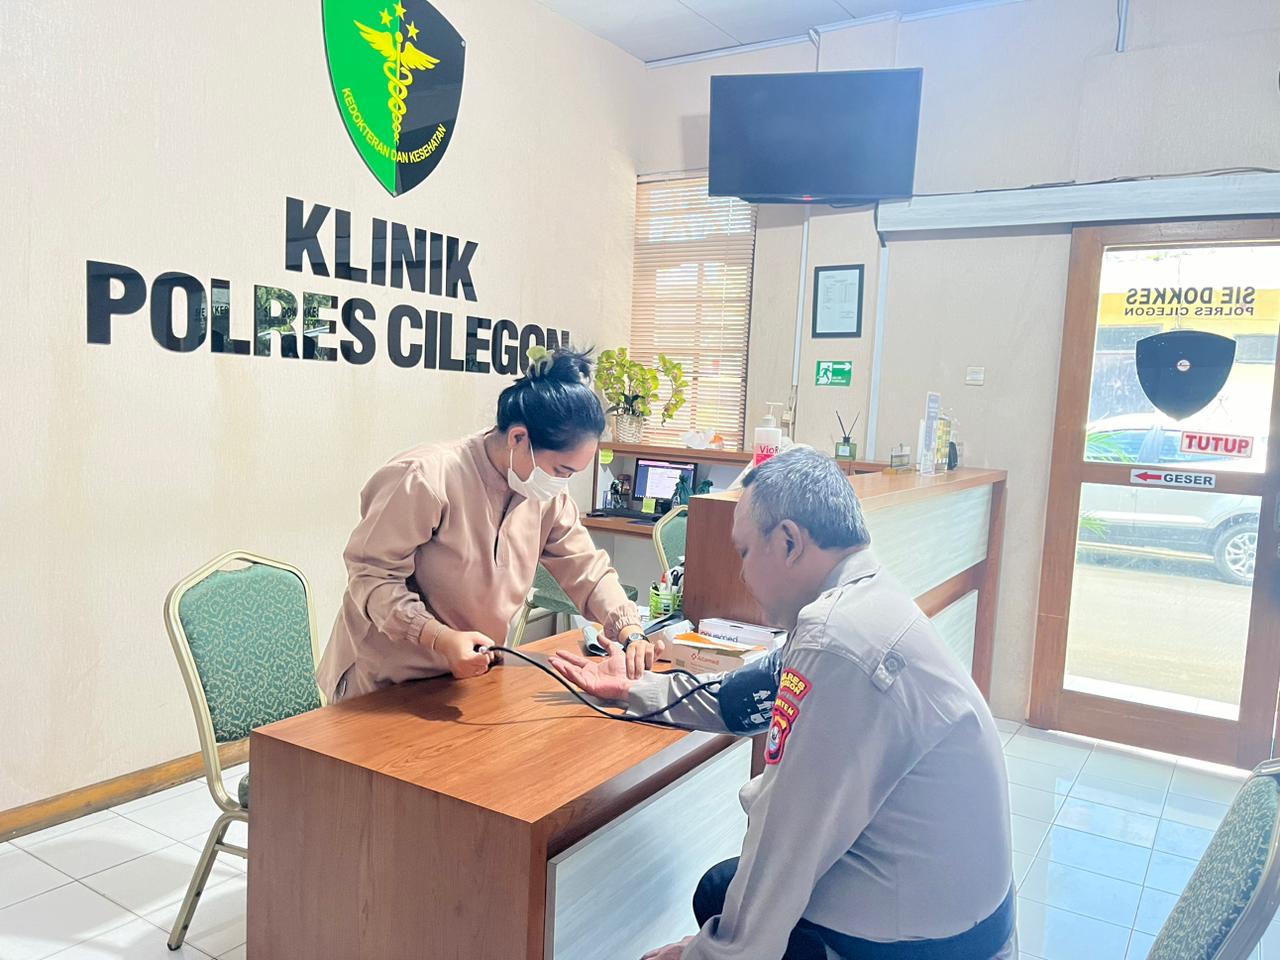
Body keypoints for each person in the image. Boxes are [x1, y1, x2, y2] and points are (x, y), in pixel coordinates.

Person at [550, 448, 1015, 960]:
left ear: (790, 542)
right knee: (722, 889)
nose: (741, 573)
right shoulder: (862, 599)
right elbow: (740, 696)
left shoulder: (837, 641)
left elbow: (784, 842)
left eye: (745, 551)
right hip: (949, 901)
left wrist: (703, 953)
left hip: (930, 941)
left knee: (728, 897)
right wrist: (634, 690)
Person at [316, 347, 662, 702]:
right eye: (561, 470)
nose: (562, 483)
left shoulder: (546, 495)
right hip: (382, 681)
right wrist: (437, 637)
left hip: (466, 679)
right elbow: (371, 576)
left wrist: (629, 629)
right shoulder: (426, 478)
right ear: (518, 438)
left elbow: (587, 570)